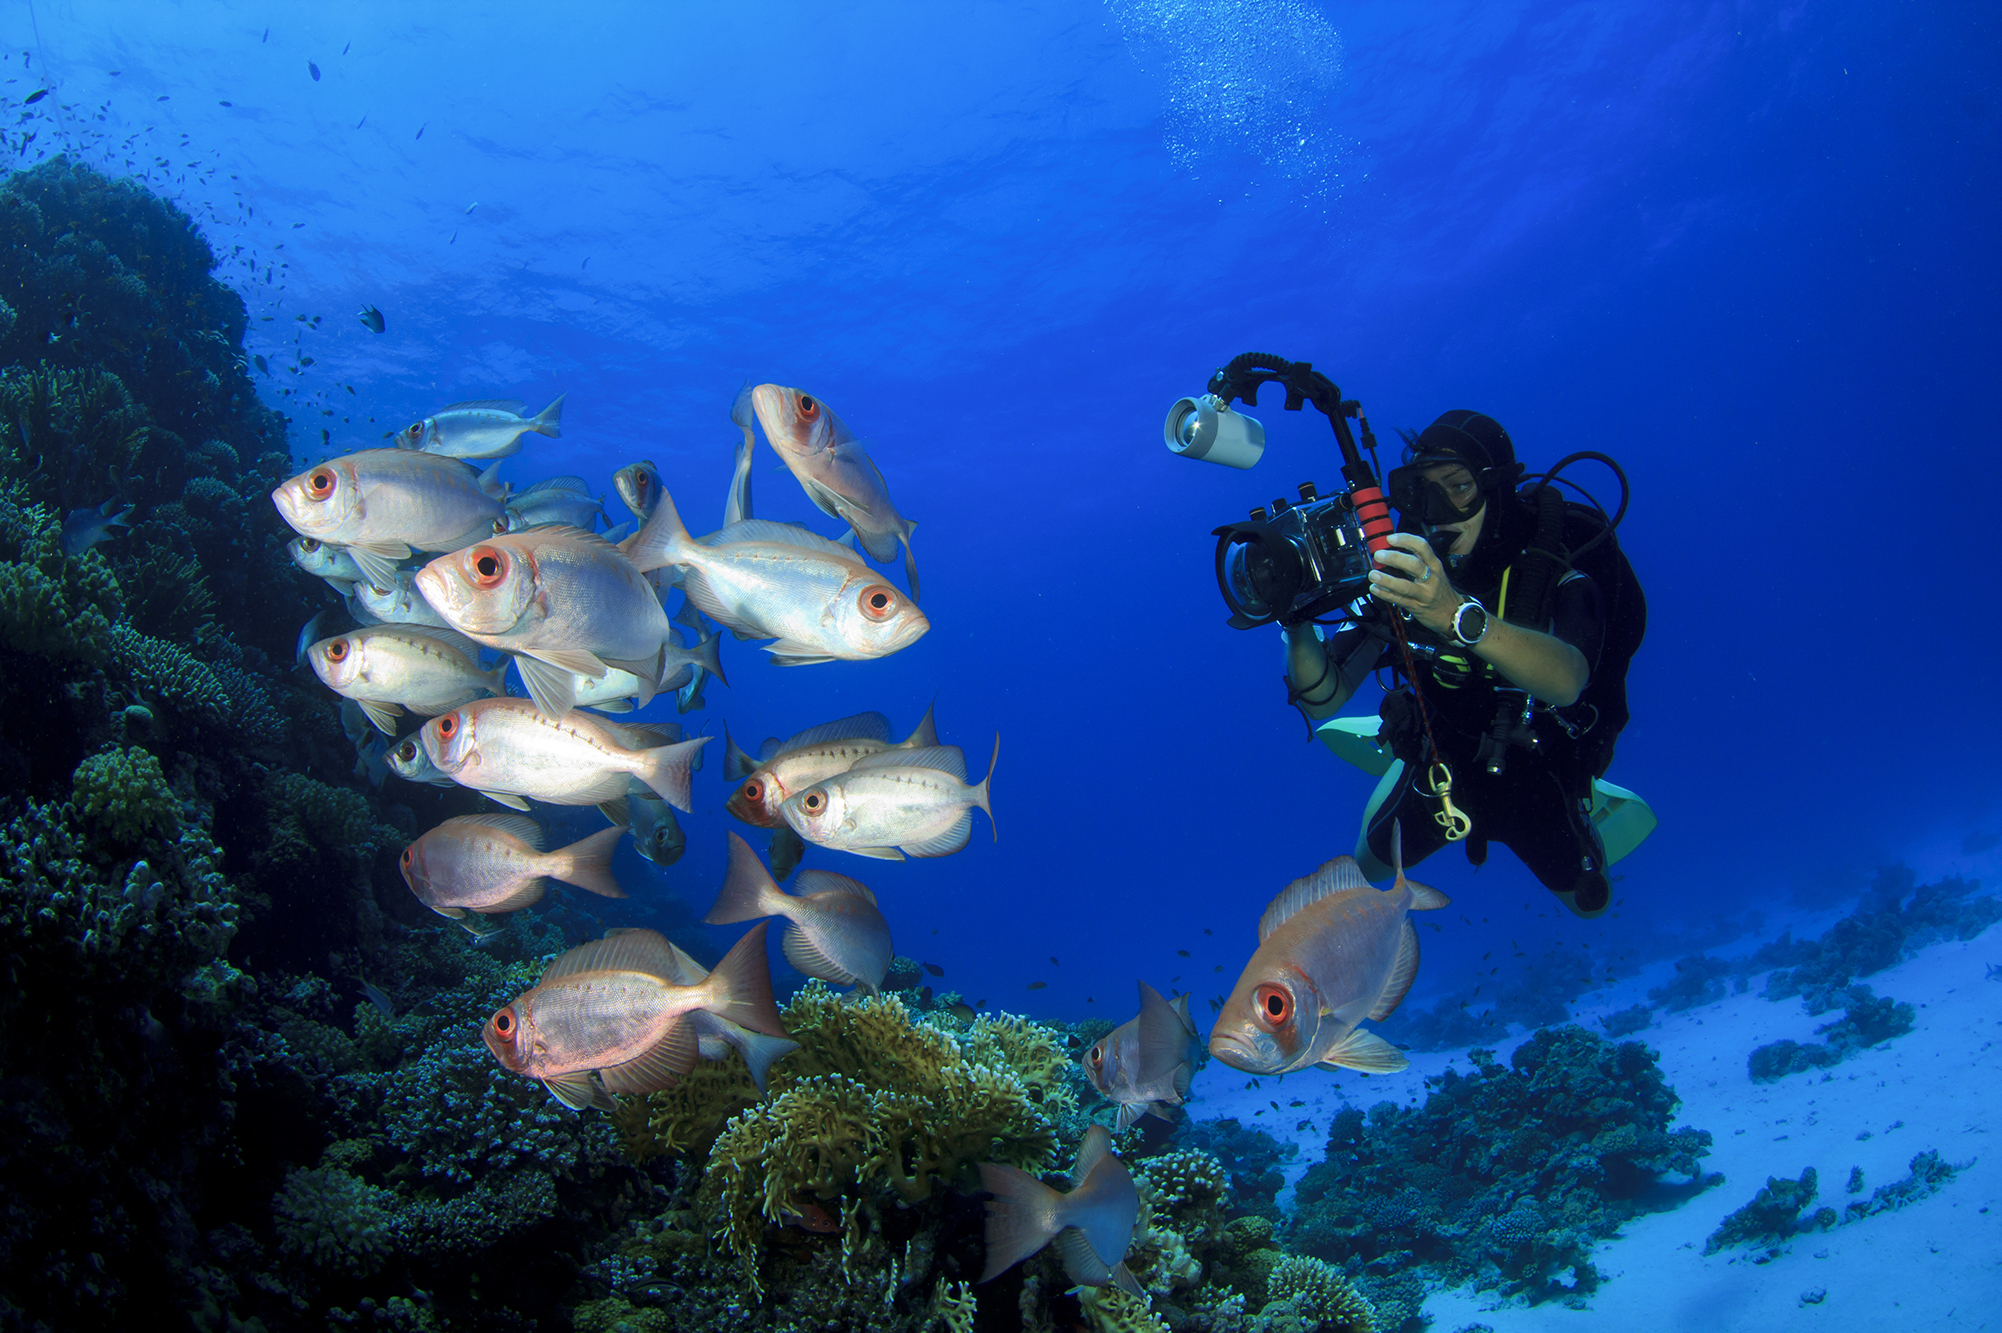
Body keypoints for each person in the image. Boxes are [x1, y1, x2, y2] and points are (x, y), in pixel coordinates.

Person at [1283, 410, 1616, 918]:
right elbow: (1321, 697)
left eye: (1459, 488)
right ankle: (1394, 760)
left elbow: (1568, 681)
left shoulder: (1553, 572)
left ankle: (1587, 810)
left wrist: (1451, 613)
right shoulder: (1404, 577)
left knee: (1591, 906)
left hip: (1537, 770)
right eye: (1421, 490)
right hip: (1441, 764)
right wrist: (1297, 621)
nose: (1439, 512)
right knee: (1365, 871)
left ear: (1498, 490)